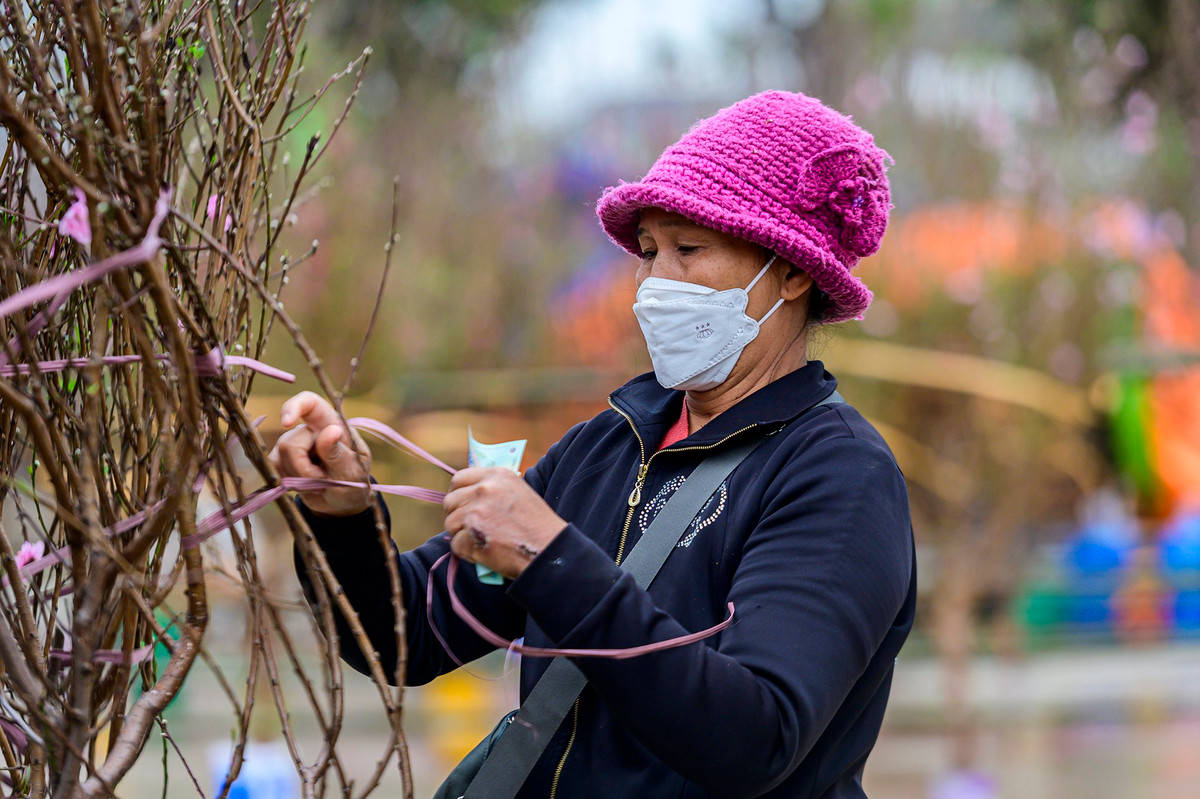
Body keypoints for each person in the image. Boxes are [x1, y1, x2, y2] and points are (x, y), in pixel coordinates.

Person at [271, 90, 916, 799]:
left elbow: (754, 737)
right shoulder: (607, 446)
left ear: (791, 272)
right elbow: (408, 633)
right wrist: (338, 517)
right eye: (647, 252)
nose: (653, 284)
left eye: (689, 250)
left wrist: (550, 558)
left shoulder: (838, 474)